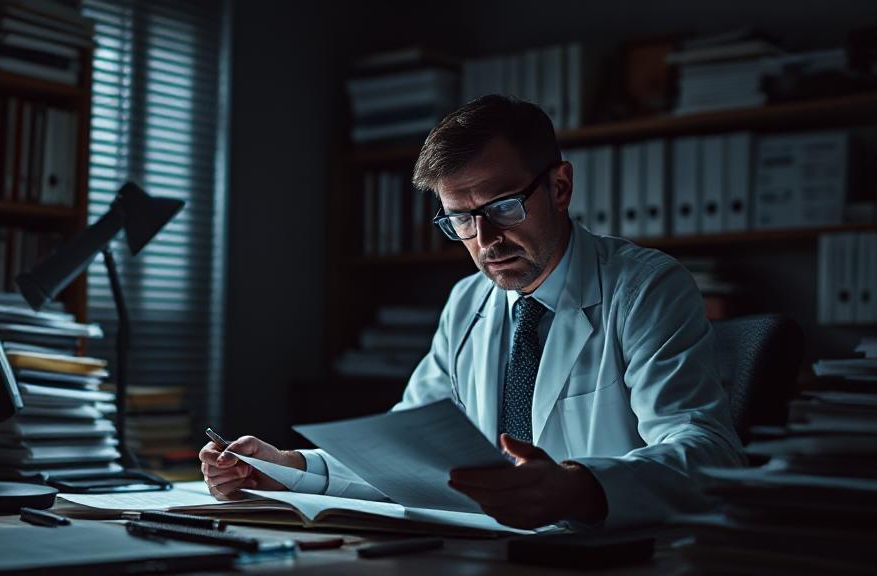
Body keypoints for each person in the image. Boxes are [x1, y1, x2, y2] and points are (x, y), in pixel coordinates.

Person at [200, 95, 745, 530]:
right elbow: (407, 458)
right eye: (461, 218)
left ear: (560, 187)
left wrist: (582, 486)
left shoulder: (645, 285)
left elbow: (708, 453)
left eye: (503, 206)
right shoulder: (468, 302)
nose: (485, 240)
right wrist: (285, 468)